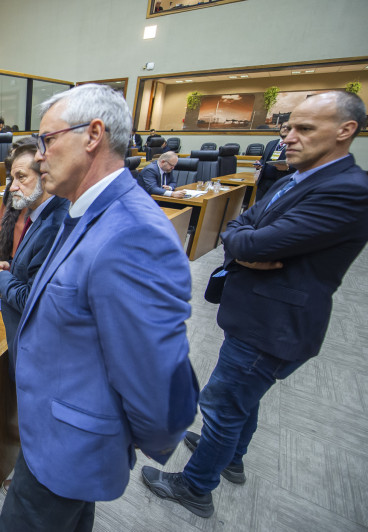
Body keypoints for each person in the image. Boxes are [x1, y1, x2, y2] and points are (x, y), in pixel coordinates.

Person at [141, 91, 368, 519]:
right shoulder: (293, 179)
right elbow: (238, 227)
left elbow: (256, 237)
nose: (288, 138)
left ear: (346, 130)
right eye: (288, 128)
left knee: (221, 405)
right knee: (244, 397)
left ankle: (196, 486)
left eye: (304, 128)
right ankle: (232, 458)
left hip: (274, 323)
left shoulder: (347, 190)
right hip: (255, 313)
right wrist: (243, 242)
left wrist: (244, 240)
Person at [0, 84, 198, 532]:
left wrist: (115, 435)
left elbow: (159, 383)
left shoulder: (131, 233)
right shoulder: (81, 209)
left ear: (93, 135)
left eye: (47, 140)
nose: (40, 155)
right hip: (52, 432)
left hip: (71, 445)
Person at [0, 138, 69, 379]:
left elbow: (35, 300)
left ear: (45, 176)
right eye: (11, 178)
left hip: (38, 351)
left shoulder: (54, 224)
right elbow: (36, 271)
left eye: (21, 177)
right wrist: (11, 268)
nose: (12, 187)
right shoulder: (39, 213)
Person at [254, 121, 292, 200]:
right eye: (283, 127)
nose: (285, 129)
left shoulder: (294, 145)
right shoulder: (271, 143)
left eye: (288, 127)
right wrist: (259, 164)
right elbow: (263, 159)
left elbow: (300, 165)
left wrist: (288, 168)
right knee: (259, 205)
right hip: (263, 182)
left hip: (280, 183)